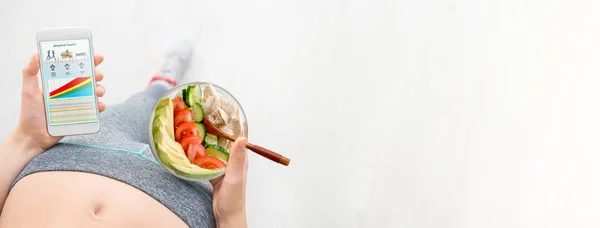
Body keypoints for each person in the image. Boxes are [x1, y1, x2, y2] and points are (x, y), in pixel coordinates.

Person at [0, 41, 248, 228]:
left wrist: (26, 139)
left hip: (72, 157)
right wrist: (231, 215)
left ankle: (160, 83)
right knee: (225, 152)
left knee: (141, 105)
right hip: (181, 200)